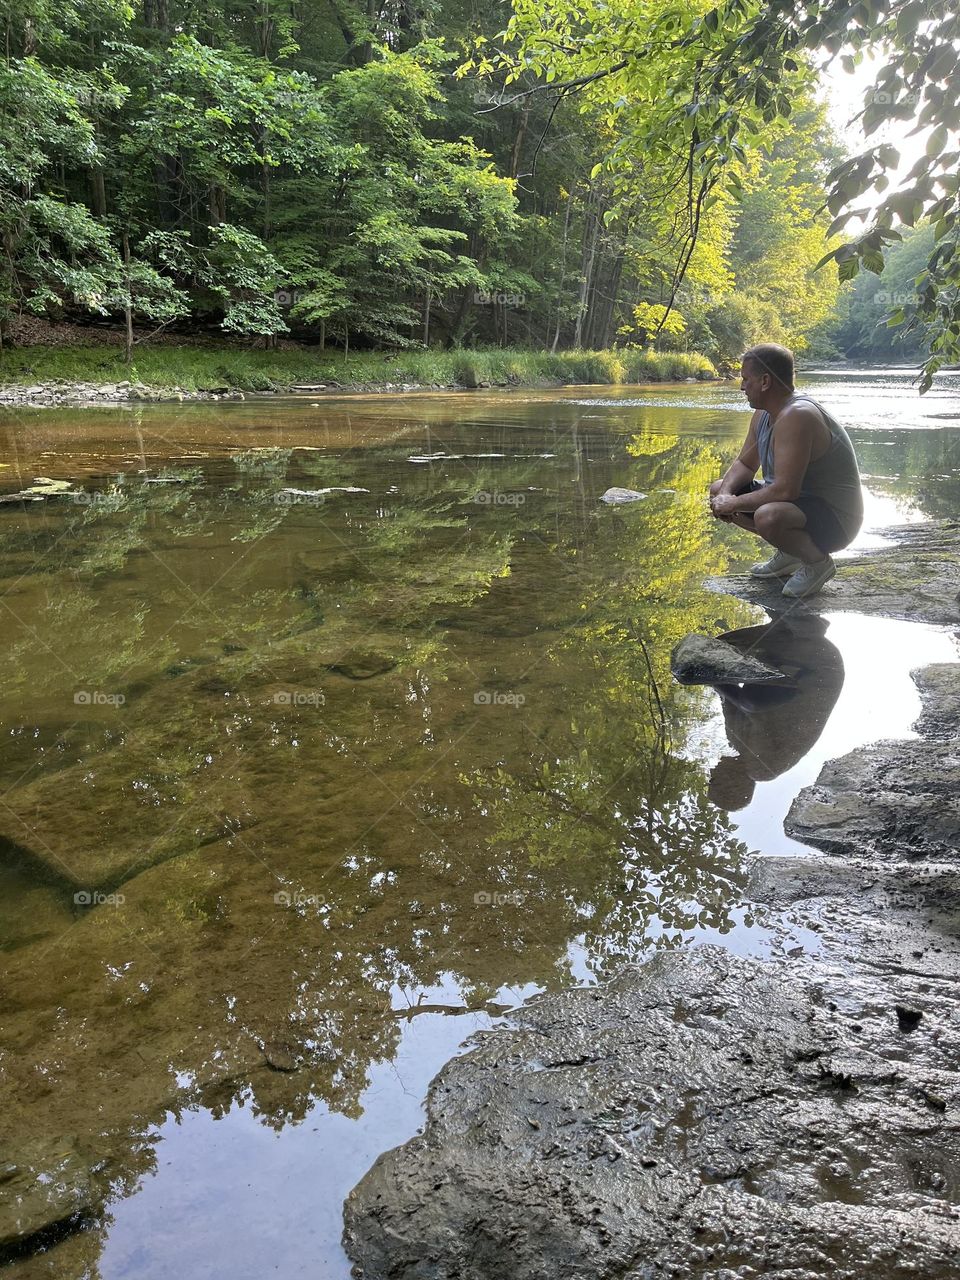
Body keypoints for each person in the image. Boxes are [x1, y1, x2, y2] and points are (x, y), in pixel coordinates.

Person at [709, 344, 863, 598]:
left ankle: (817, 563)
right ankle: (791, 551)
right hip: (801, 508)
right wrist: (724, 495)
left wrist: (733, 502)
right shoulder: (763, 414)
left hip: (838, 520)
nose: (741, 386)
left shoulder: (797, 415)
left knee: (769, 516)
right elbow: (745, 465)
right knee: (718, 488)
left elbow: (785, 490)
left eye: (746, 379)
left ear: (765, 381)